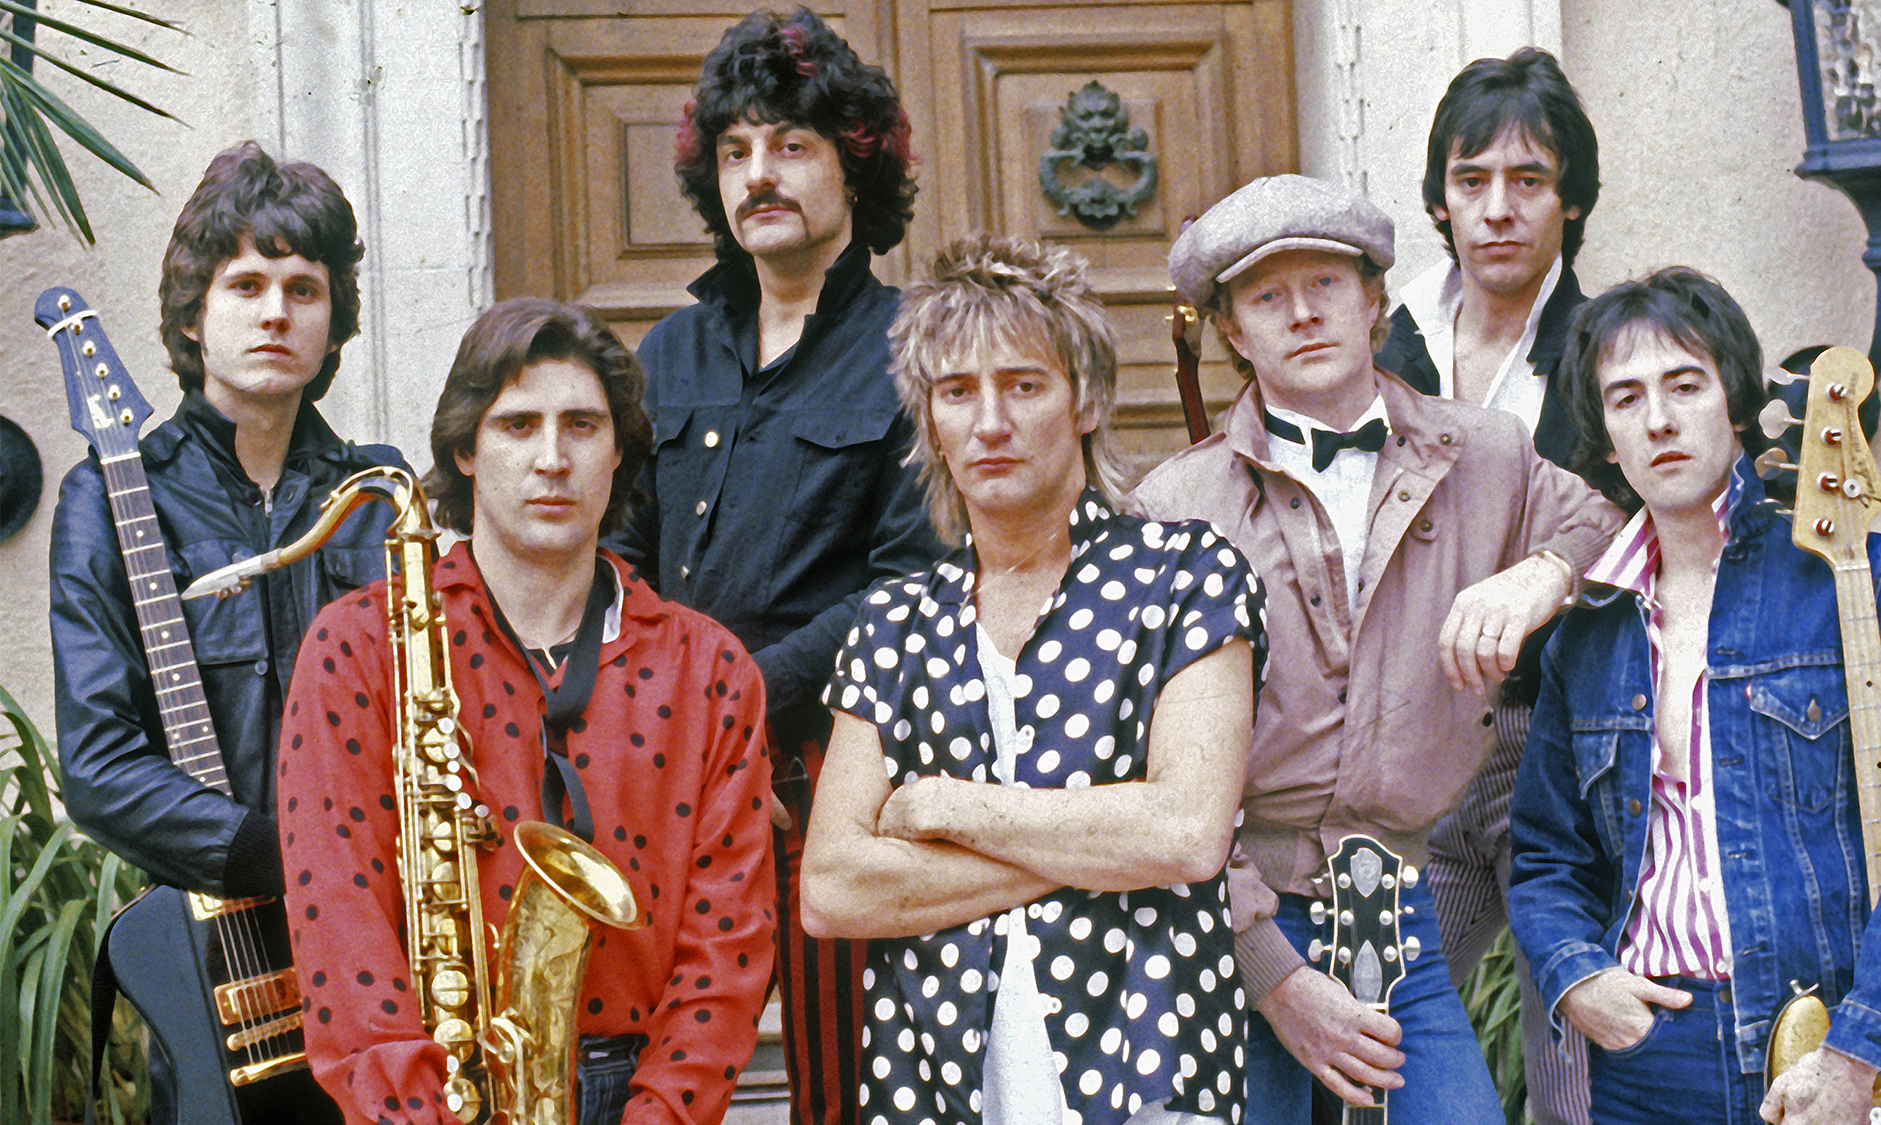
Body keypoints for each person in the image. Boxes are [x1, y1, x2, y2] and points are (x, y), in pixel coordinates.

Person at [1129, 174, 1623, 1124]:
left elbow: (1619, 536)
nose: (1302, 313)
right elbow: (1137, 770)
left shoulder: (1490, 454)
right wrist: (1273, 976)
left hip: (1400, 917)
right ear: (1233, 331)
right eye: (1267, 296)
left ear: (1374, 302)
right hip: (1225, 924)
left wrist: (1541, 576)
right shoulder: (1171, 509)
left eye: (1325, 284)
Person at [1508, 268, 1881, 1124]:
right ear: (1607, 438)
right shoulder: (1588, 635)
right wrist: (1579, 977)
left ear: (1735, 400)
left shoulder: (1875, 583)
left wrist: (1857, 1053)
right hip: (1651, 1060)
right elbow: (1547, 855)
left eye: (1684, 385)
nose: (1657, 418)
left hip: (1829, 1055)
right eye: (1625, 398)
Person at [800, 234, 1265, 1124]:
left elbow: (1184, 834)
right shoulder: (893, 620)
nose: (990, 422)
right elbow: (831, 888)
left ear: (1085, 399)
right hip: (936, 1080)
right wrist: (1093, 847)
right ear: (928, 419)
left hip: (1148, 1068)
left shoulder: (1187, 575)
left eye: (1023, 384)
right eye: (957, 392)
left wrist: (950, 809)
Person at [277, 299, 777, 1125]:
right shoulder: (360, 648)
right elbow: (340, 931)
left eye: (582, 424)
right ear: (466, 448)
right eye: (517, 426)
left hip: (640, 1093)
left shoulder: (711, 669)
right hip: (438, 1094)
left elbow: (727, 951)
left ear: (621, 450)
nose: (553, 458)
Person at [606, 12, 943, 1121]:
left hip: (827, 774)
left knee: (838, 1088)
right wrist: (652, 711)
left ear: (855, 161)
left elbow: (905, 588)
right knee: (648, 1068)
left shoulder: (915, 353)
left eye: (791, 146)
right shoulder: (665, 352)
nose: (760, 175)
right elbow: (613, 552)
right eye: (738, 151)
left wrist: (734, 704)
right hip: (659, 772)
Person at [50, 141, 404, 1125]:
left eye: (304, 285)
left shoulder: (377, 494)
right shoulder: (111, 498)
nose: (276, 310)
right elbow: (101, 766)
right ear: (193, 315)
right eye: (246, 282)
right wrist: (289, 858)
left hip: (385, 962)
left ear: (334, 318)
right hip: (218, 979)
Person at [1372, 46, 1602, 1124]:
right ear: (1437, 199)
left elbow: (1640, 525)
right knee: (1378, 1021)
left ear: (1571, 201)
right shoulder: (1379, 354)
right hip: (1415, 756)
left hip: (1556, 746)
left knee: (1575, 1065)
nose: (1498, 210)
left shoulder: (1610, 357)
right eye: (1472, 182)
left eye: (1529, 181)